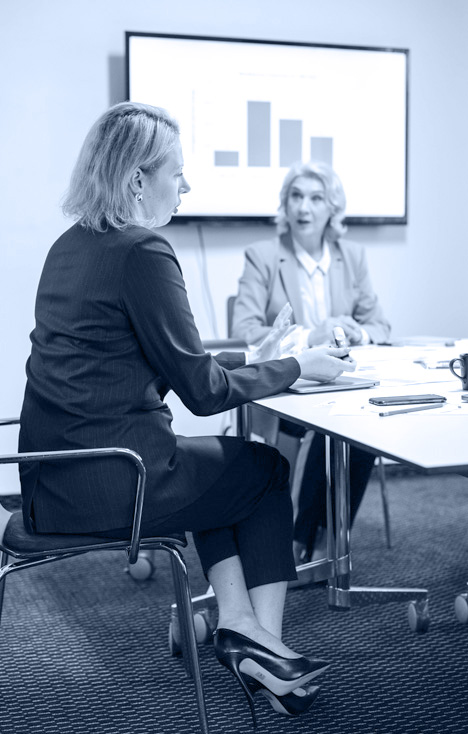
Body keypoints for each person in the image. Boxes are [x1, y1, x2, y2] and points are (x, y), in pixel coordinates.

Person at [18, 103, 357, 725]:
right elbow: (200, 390)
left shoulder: (70, 246)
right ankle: (262, 642)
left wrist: (254, 354)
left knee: (223, 469)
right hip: (118, 481)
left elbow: (144, 353)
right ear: (137, 180)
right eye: (178, 172)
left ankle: (239, 627)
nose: (188, 185)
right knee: (262, 471)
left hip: (51, 478)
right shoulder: (144, 249)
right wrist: (297, 368)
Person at [231, 160, 391, 571]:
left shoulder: (350, 256)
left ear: (331, 209)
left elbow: (380, 324)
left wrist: (359, 333)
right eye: (296, 196)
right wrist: (310, 338)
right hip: (284, 388)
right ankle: (306, 538)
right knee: (330, 429)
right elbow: (245, 330)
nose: (304, 207)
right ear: (285, 205)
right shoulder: (264, 256)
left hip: (339, 387)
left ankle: (323, 541)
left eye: (315, 198)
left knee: (360, 432)